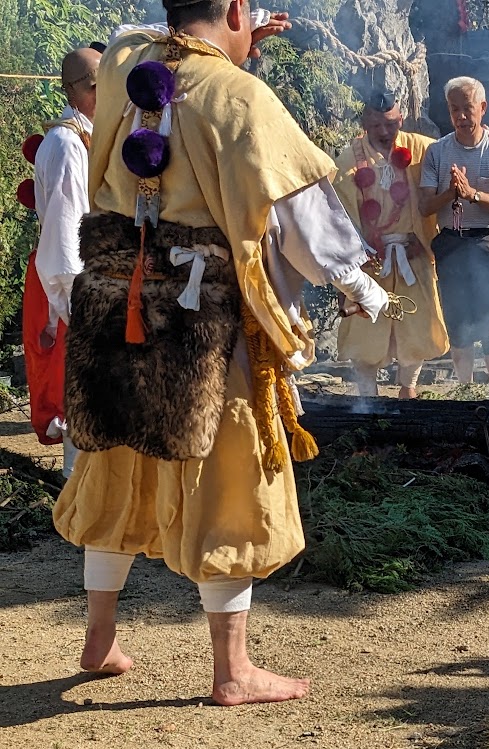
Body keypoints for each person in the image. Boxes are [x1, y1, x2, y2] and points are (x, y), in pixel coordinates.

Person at [53, 0, 388, 705]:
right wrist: (360, 284)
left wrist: (226, 33)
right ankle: (232, 670)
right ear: (237, 7)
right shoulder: (243, 97)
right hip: (196, 310)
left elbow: (133, 33)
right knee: (228, 476)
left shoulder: (123, 64)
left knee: (117, 454)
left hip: (113, 291)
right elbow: (299, 212)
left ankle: (99, 636)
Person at [334, 90, 449, 398]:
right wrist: (359, 254)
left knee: (417, 322)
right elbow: (341, 212)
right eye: (376, 125)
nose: (385, 132)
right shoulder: (348, 158)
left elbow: (459, 151)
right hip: (370, 257)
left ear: (400, 119)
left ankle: (408, 388)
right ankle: (367, 393)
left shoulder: (422, 148)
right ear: (364, 124)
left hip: (413, 253)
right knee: (365, 324)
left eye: (391, 124)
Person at [23, 47, 102, 477]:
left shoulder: (84, 136)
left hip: (70, 276)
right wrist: (78, 305)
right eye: (92, 86)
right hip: (68, 278)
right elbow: (66, 231)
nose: (100, 93)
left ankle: (85, 492)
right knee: (77, 388)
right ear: (73, 91)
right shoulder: (69, 144)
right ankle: (79, 492)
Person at [419, 76, 489, 399]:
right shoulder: (438, 152)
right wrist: (451, 192)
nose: (462, 116)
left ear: (483, 108)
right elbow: (424, 206)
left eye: (467, 108)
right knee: (459, 325)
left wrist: (473, 194)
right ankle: (465, 390)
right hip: (452, 241)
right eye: (454, 110)